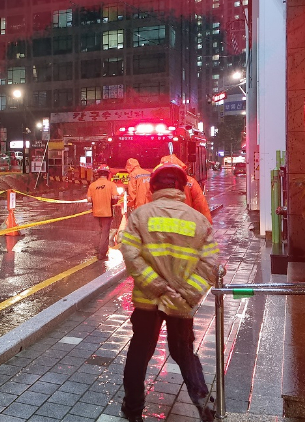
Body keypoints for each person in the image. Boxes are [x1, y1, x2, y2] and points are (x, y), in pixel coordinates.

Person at [118, 162, 219, 422]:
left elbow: (130, 255)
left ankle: (132, 411)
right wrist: (185, 294)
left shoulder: (140, 216)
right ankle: (204, 404)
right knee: (184, 353)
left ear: (152, 188)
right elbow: (210, 265)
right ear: (181, 188)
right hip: (181, 305)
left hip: (146, 303)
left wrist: (157, 285)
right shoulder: (197, 220)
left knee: (139, 354)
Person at [160, 154, 212, 223]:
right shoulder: (190, 182)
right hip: (185, 223)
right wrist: (207, 224)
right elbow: (200, 205)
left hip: (161, 223)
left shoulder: (155, 182)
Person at [86, 164, 120, 261]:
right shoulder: (111, 185)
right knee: (105, 233)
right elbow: (115, 198)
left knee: (98, 232)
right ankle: (102, 254)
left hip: (96, 212)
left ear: (98, 174)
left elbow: (89, 199)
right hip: (107, 213)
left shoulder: (92, 185)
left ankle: (97, 250)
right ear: (108, 174)